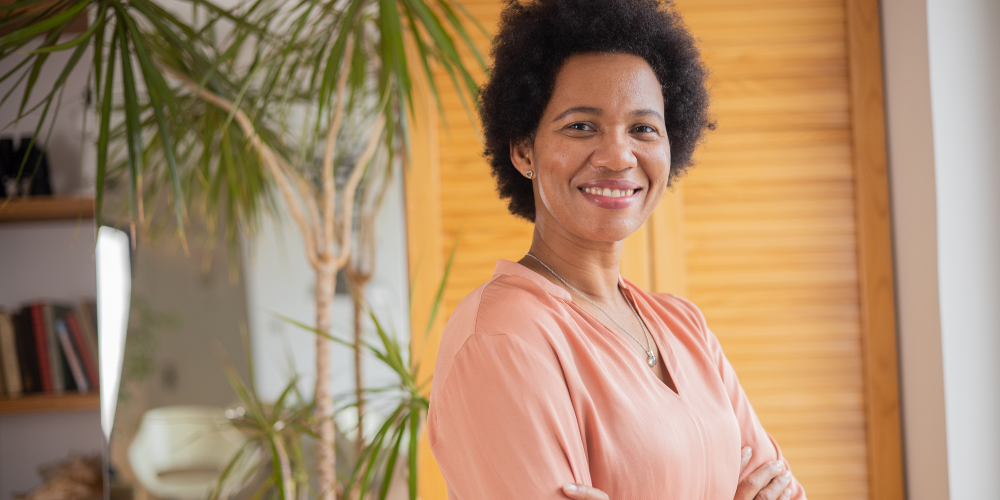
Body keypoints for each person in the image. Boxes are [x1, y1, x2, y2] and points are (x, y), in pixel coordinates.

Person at [426, 0, 807, 498]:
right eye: (582, 126)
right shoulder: (502, 337)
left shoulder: (684, 326)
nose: (618, 155)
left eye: (643, 128)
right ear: (523, 150)